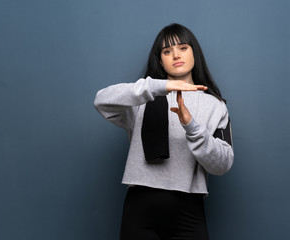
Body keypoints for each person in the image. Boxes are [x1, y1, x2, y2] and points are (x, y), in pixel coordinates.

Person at [94, 23, 234, 240]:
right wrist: (160, 87)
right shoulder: (143, 97)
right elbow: (101, 100)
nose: (176, 55)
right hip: (141, 207)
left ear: (194, 53)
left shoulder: (215, 106)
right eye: (167, 51)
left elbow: (223, 164)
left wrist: (192, 127)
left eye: (183, 48)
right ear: (160, 61)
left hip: (189, 207)